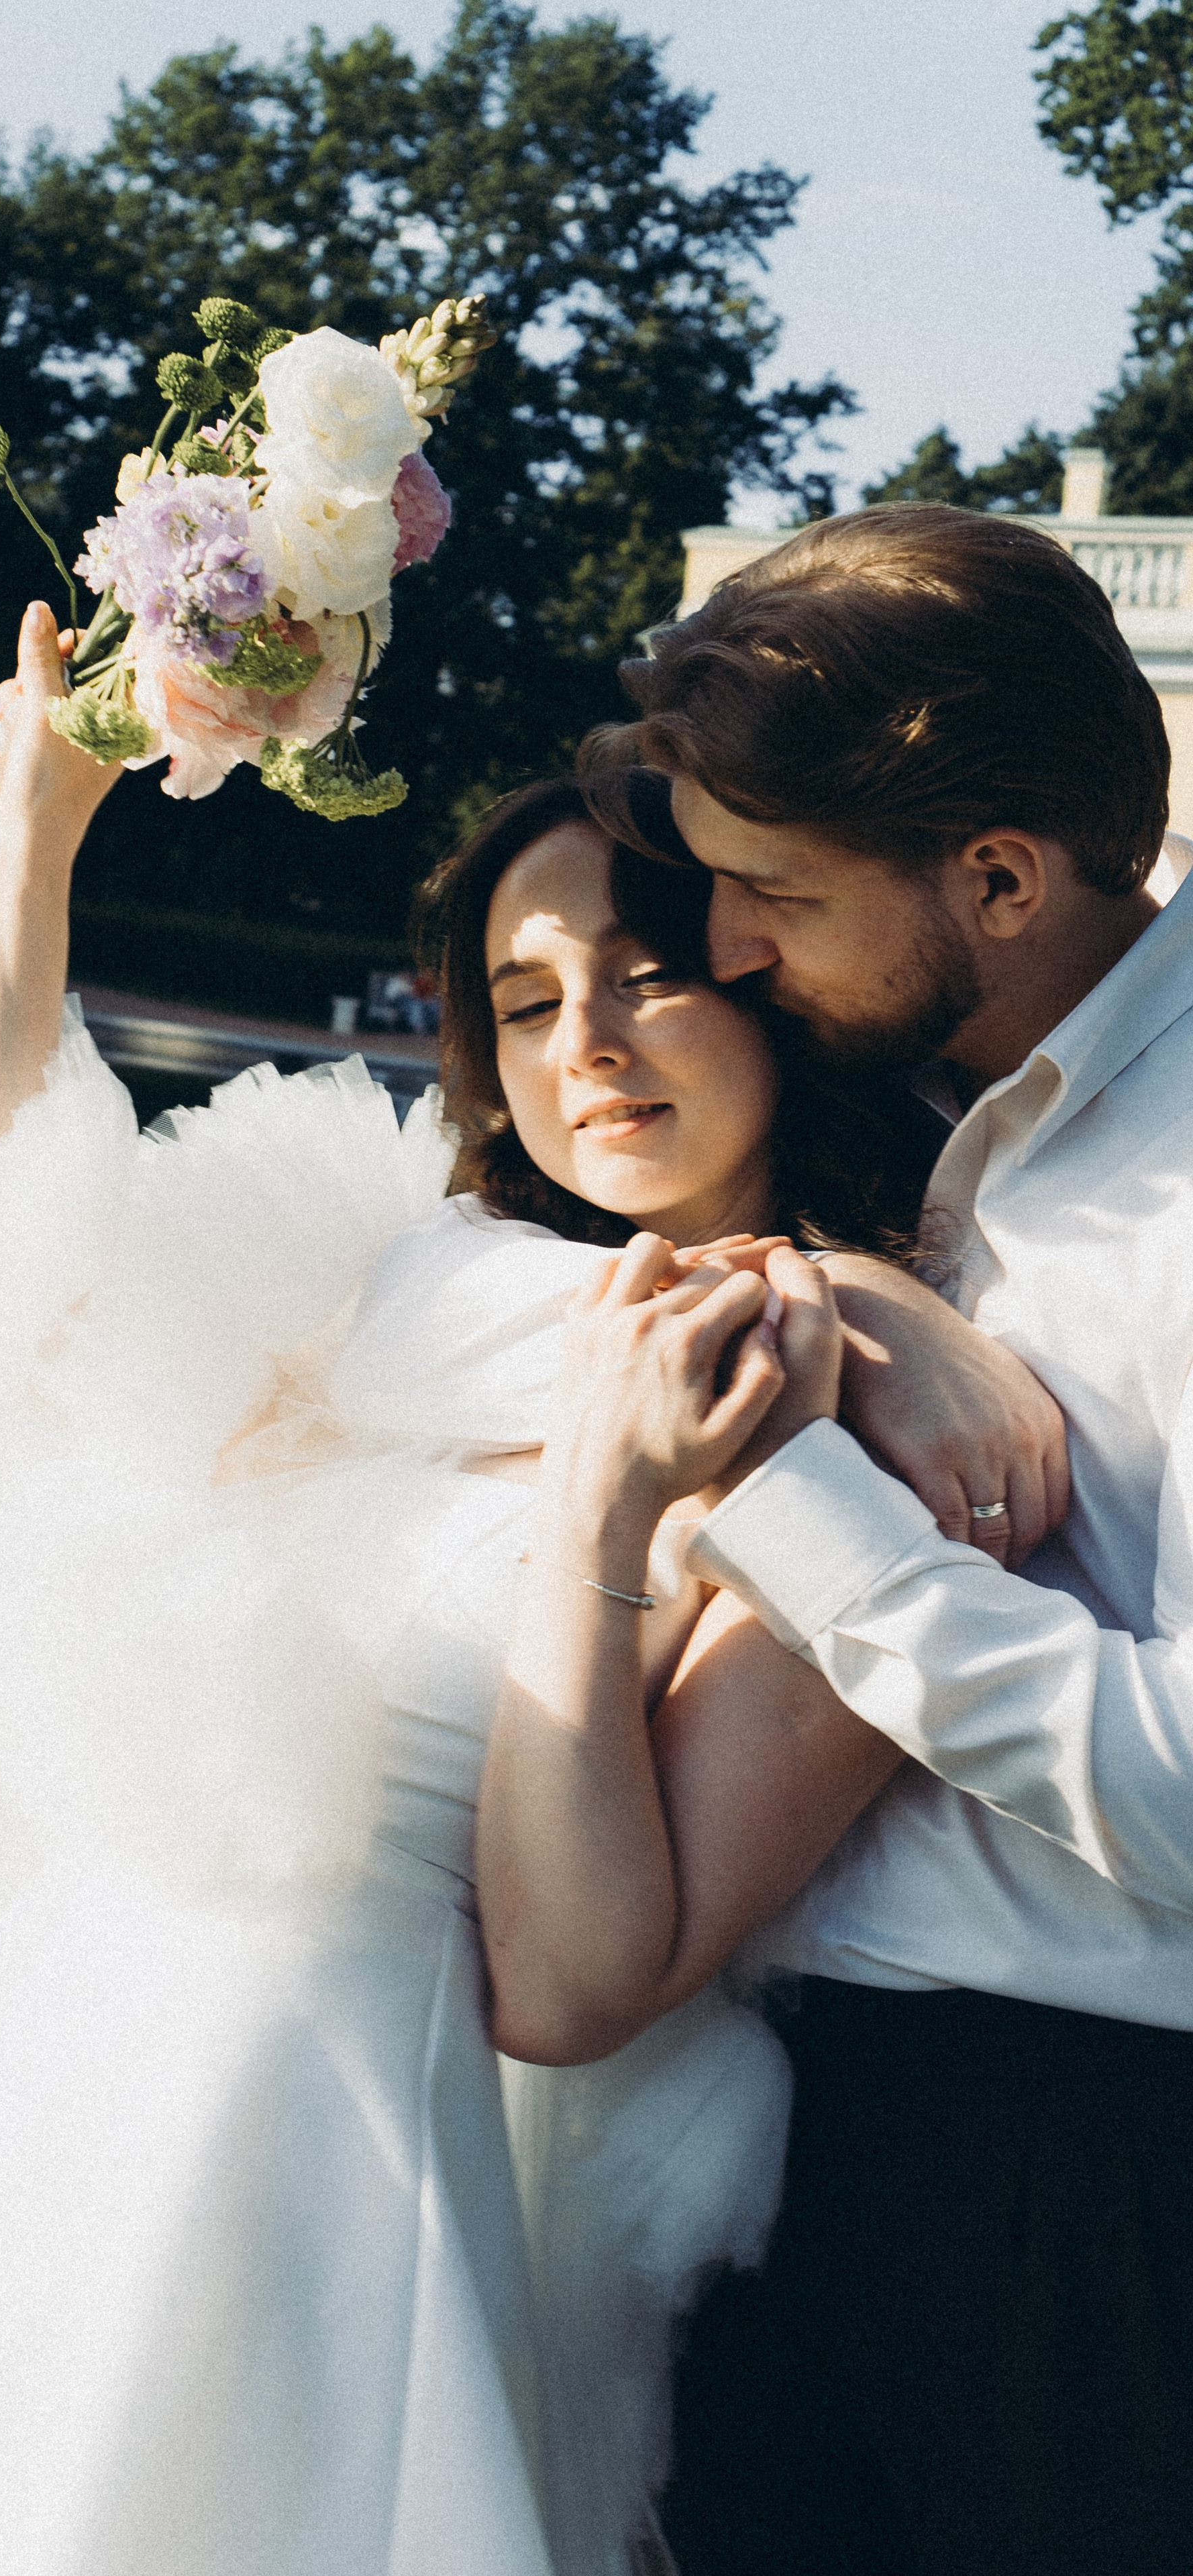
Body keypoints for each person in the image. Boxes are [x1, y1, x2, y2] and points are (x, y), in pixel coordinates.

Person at [0, 603, 1048, 2576]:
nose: (582, 1043)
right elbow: (13, 1250)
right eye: (520, 996)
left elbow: (581, 1972)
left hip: (317, 2118)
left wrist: (771, 1369)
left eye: (649, 975)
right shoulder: (400, 1278)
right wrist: (42, 827)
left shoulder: (830, 1455)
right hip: (67, 2036)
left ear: (766, 989)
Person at [562, 500, 1193, 2576]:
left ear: (1000, 876)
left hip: (1070, 2206)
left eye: (774, 896)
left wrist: (794, 1511)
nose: (730, 949)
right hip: (832, 2151)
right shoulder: (985, 1112)